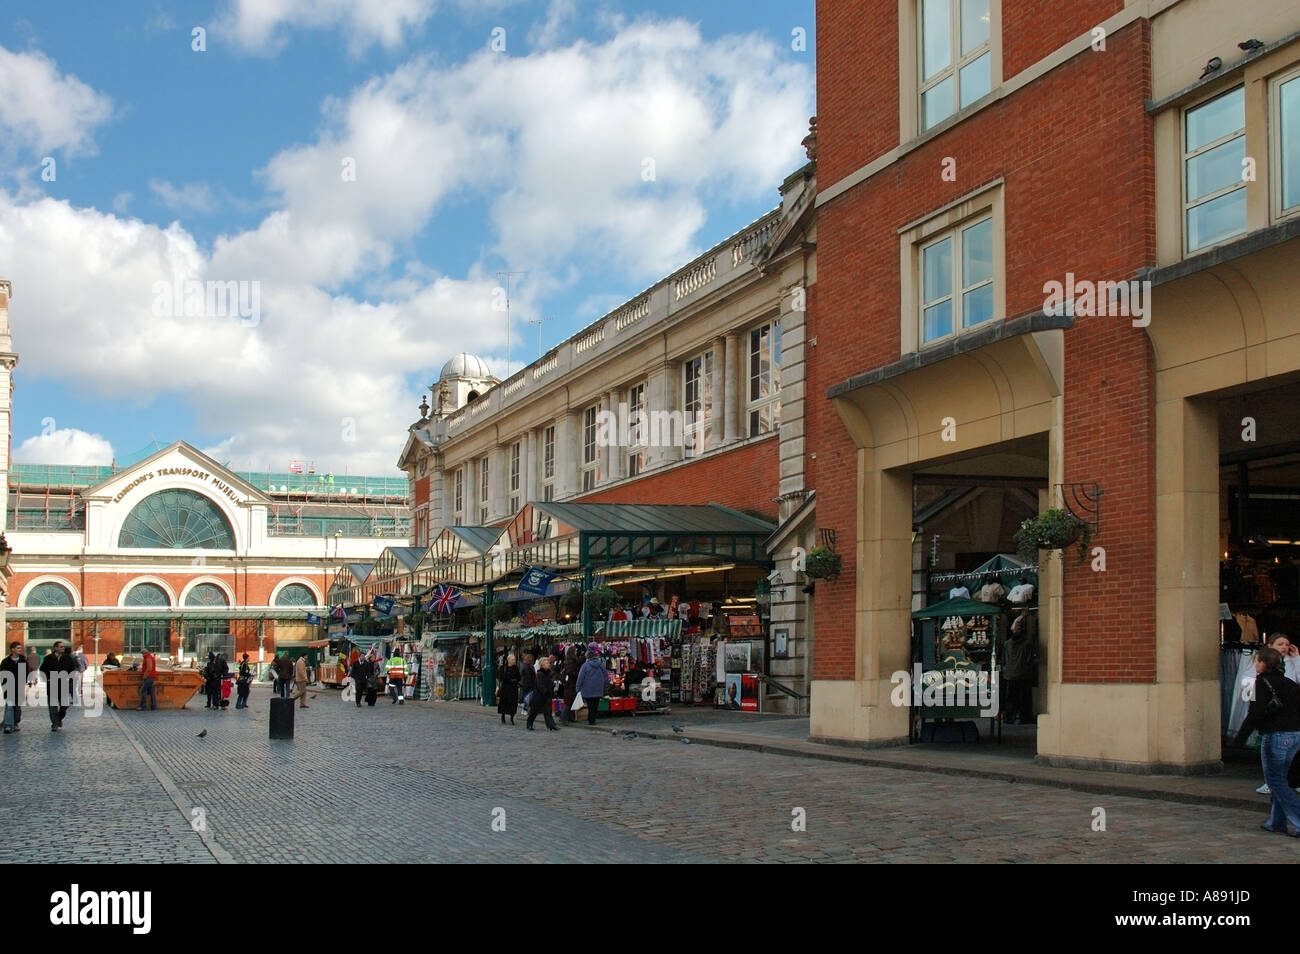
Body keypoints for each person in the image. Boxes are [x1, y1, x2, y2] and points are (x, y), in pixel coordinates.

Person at [1233, 646, 1300, 836]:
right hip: (1295, 735)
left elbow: (1254, 714)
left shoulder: (1261, 683)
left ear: (1262, 663)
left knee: (1275, 781)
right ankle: (1276, 822)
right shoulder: (1290, 683)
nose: (1255, 665)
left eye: (1257, 661)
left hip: (1276, 735)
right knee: (1282, 779)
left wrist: (1240, 739)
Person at [1002, 607, 1037, 725]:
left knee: (1011, 699)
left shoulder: (1007, 644)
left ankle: (1009, 717)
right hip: (1023, 675)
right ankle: (1025, 717)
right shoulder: (1027, 643)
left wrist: (1005, 670)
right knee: (1024, 699)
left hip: (1011, 675)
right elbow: (1030, 659)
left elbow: (1004, 660)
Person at [40, 640, 77, 732]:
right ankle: (55, 724)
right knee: (53, 707)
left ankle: (59, 718)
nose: (63, 648)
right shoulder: (48, 658)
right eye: (60, 647)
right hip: (52, 683)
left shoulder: (67, 658)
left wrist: (70, 678)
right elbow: (42, 670)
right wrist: (47, 679)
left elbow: (73, 669)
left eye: (63, 647)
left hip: (64, 683)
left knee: (64, 705)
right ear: (55, 648)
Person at [575, 643, 608, 726]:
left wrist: (578, 688)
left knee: (590, 704)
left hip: (587, 688)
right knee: (596, 703)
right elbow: (605, 676)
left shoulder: (585, 666)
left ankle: (591, 720)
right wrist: (605, 687)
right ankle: (593, 719)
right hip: (598, 687)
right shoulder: (601, 665)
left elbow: (580, 678)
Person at [527, 656, 558, 731]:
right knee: (534, 712)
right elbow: (540, 685)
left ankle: (551, 725)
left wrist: (553, 685)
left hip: (546, 696)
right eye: (547, 663)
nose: (548, 664)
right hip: (539, 696)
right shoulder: (539, 674)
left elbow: (549, 683)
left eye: (548, 663)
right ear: (542, 665)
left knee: (548, 711)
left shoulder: (549, 673)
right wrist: (545, 691)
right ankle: (529, 723)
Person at [2, 640, 26, 733]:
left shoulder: (23, 660)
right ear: (12, 650)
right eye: (18, 648)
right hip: (9, 687)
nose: (20, 649)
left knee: (17, 707)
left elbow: (26, 674)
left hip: (19, 687)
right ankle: (8, 725)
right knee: (10, 706)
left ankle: (15, 723)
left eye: (20, 648)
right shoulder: (5, 661)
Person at [498, 652, 520, 725]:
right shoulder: (503, 667)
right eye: (513, 659)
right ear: (508, 660)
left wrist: (515, 680)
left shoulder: (516, 668)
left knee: (513, 703)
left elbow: (519, 677)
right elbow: (501, 677)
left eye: (514, 659)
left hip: (513, 688)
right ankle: (503, 716)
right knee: (504, 702)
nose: (514, 661)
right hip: (506, 688)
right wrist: (509, 680)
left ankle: (512, 717)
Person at [560, 647, 581, 723]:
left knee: (571, 701)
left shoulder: (568, 661)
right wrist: (578, 674)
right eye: (575, 651)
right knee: (569, 702)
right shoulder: (571, 662)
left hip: (569, 684)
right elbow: (571, 672)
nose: (576, 652)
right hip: (571, 684)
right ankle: (563, 718)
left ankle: (570, 717)